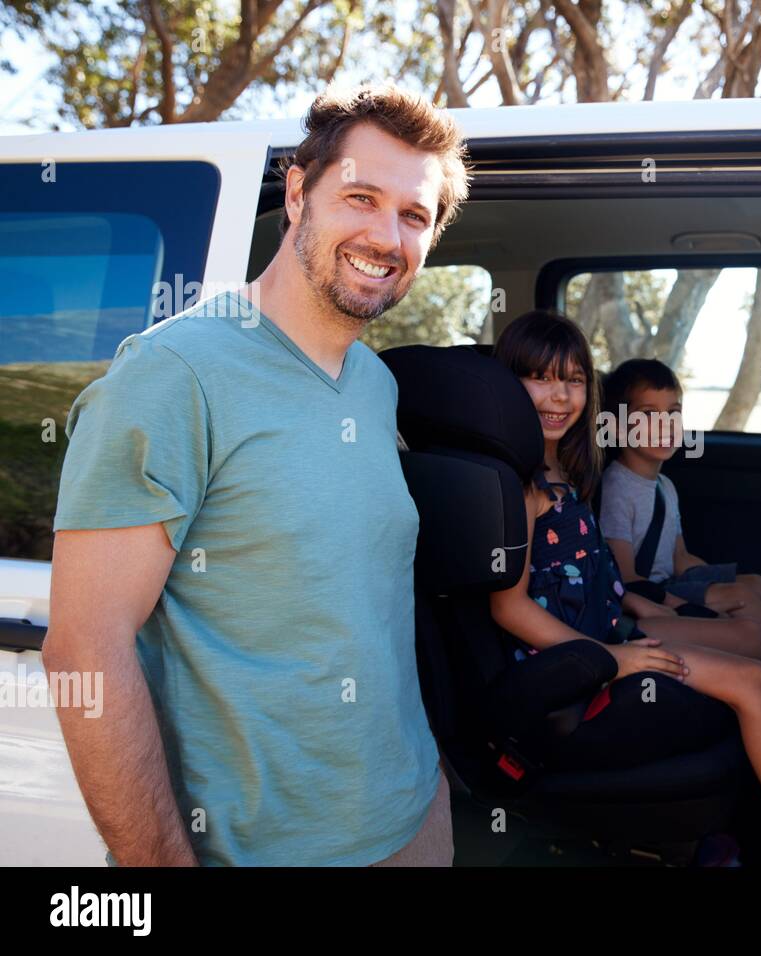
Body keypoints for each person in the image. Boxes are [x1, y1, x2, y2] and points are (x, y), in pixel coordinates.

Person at [42, 83, 470, 866]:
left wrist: (430, 786)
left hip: (409, 817)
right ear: (300, 192)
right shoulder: (173, 373)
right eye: (361, 197)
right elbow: (82, 652)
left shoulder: (375, 384)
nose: (385, 234)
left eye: (413, 215)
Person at [487, 310, 761, 811]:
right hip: (571, 670)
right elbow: (509, 608)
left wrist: (636, 601)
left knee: (756, 660)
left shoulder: (565, 471)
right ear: (506, 386)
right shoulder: (521, 488)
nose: (560, 395)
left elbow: (589, 566)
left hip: (609, 629)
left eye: (573, 379)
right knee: (755, 681)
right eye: (539, 377)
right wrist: (609, 657)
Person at [600, 357, 761, 659]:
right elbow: (625, 577)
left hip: (671, 582)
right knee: (741, 597)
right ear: (617, 427)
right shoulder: (617, 487)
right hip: (649, 595)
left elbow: (679, 557)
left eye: (673, 413)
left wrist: (714, 581)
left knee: (753, 583)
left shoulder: (665, 486)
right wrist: (695, 600)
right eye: (648, 415)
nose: (665, 424)